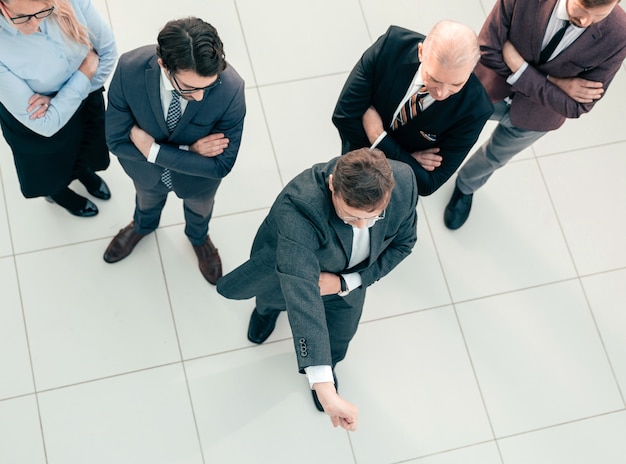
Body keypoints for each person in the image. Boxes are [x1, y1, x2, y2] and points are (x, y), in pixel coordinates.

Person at [217, 148, 418, 431]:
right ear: (333, 184)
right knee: (274, 298)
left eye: (373, 218)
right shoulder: (299, 206)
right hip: (288, 268)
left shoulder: (404, 181)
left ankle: (329, 363)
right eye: (350, 217)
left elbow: (404, 244)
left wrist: (348, 282)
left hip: (349, 282)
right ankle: (267, 311)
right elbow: (300, 287)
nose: (362, 226)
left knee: (341, 334)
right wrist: (323, 385)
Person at [444, 0, 626, 229]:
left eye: (598, 15)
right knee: (450, 124)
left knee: (494, 156)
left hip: (536, 117)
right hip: (488, 88)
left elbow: (577, 106)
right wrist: (556, 85)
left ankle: (465, 187)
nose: (586, 22)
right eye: (580, 9)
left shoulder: (620, 34)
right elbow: (488, 49)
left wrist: (520, 67)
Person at [103, 17, 246, 285]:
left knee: (200, 212)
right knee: (146, 203)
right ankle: (143, 226)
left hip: (198, 182)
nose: (201, 97)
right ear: (164, 66)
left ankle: (199, 238)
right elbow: (116, 141)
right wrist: (190, 151)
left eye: (208, 86)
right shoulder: (129, 69)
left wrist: (154, 150)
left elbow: (220, 166)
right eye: (190, 88)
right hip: (145, 173)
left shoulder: (230, 89)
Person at [332, 20, 493, 196]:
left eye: (456, 84)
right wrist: (407, 162)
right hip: (355, 155)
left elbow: (429, 184)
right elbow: (343, 116)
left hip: (394, 186)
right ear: (421, 52)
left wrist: (378, 138)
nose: (441, 93)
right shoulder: (391, 46)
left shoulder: (476, 110)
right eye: (434, 79)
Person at [0, 0, 116, 216]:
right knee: (50, 167)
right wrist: (86, 70)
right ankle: (59, 193)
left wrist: (60, 100)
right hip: (38, 125)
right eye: (22, 17)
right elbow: (46, 124)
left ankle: (83, 171)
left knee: (87, 145)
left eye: (43, 12)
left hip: (81, 101)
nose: (34, 25)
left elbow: (108, 54)